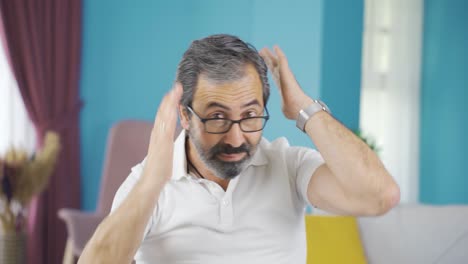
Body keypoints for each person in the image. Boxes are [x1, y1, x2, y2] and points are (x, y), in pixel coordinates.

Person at [79, 34, 400, 264]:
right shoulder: (146, 184)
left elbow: (379, 196)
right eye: (217, 117)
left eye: (249, 116)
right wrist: (152, 183)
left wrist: (303, 108)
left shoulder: (288, 166)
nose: (235, 139)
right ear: (184, 115)